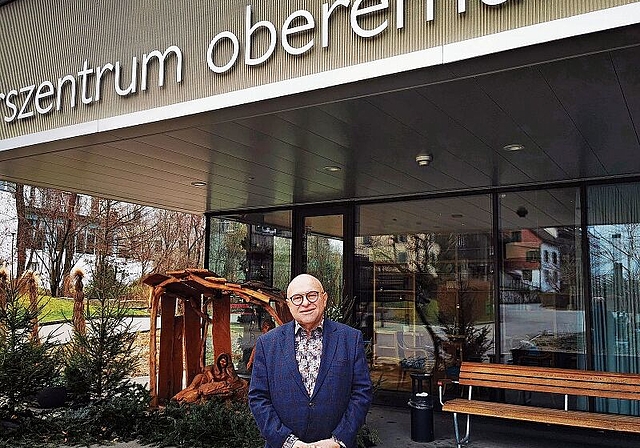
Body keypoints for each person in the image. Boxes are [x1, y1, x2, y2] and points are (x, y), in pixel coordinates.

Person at [249, 274, 372, 448]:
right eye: (297, 298)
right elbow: (258, 397)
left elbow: (362, 392)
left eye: (312, 295)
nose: (305, 303)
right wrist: (287, 442)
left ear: (324, 298)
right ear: (289, 304)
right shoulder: (268, 343)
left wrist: (339, 439)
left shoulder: (350, 339)